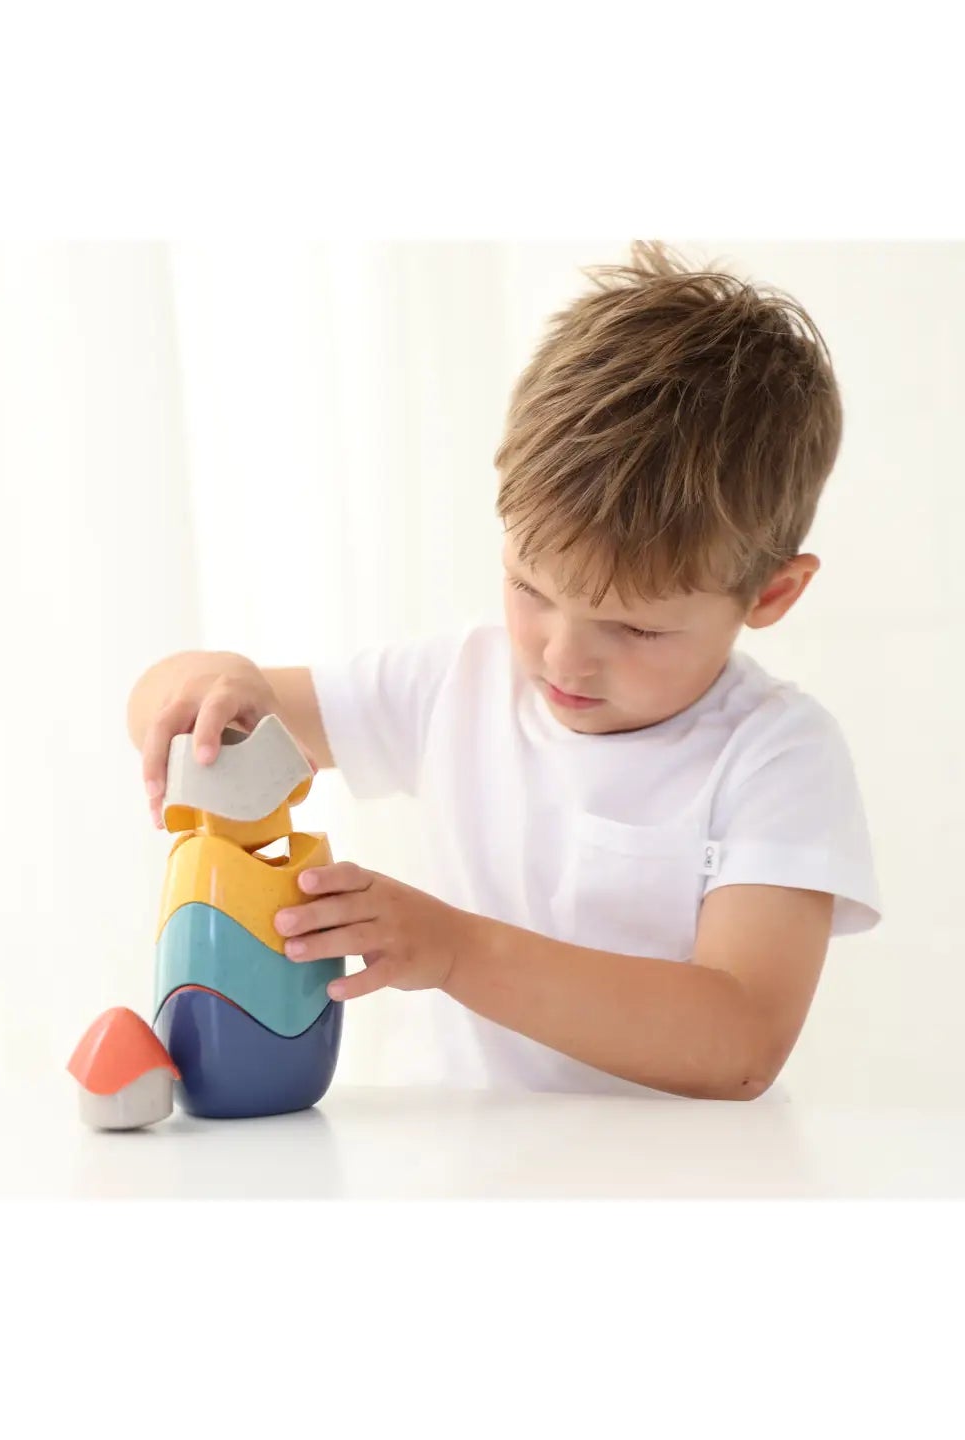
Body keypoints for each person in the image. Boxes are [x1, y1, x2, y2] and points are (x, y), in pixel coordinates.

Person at [125, 242, 880, 1102]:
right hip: (460, 1167)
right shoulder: (458, 682)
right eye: (530, 587)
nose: (562, 655)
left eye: (634, 627)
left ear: (773, 593)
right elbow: (185, 699)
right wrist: (211, 686)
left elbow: (739, 1041)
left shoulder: (778, 755)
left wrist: (456, 950)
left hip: (684, 1184)